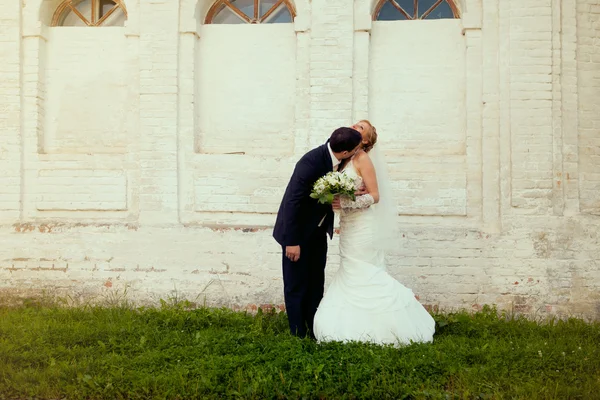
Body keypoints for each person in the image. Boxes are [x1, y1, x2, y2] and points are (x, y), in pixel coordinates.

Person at [313, 120, 436, 346]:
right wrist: (333, 198)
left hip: (363, 227)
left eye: (362, 128)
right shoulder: (343, 159)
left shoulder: (362, 159)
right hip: (349, 227)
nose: (355, 127)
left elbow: (375, 196)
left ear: (366, 141)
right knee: (350, 269)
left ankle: (388, 326)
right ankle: (349, 326)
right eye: (356, 124)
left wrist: (346, 202)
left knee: (364, 269)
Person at [273, 127, 363, 338]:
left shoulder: (338, 158)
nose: (358, 151)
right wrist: (292, 242)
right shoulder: (310, 162)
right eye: (356, 149)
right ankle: (297, 334)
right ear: (344, 152)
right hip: (296, 234)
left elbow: (322, 194)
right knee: (296, 285)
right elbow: (292, 203)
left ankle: (314, 329)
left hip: (318, 231)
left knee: (315, 283)